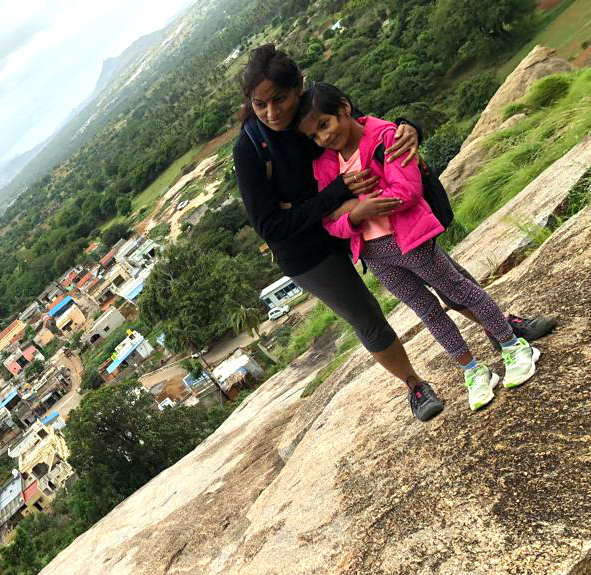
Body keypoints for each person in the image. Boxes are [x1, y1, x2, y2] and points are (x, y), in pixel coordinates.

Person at [233, 44, 556, 420]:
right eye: (260, 104)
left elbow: (368, 129)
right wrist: (341, 198)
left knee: (448, 278)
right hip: (308, 247)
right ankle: (415, 386)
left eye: (280, 99)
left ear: (298, 87)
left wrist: (409, 129)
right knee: (367, 316)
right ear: (250, 104)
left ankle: (504, 331)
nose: (272, 112)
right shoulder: (251, 149)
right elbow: (271, 226)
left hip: (366, 219)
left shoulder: (315, 109)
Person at [298, 82, 540, 410]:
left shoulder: (385, 137)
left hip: (410, 239)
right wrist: (355, 215)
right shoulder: (325, 165)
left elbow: (408, 190)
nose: (323, 138)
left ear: (344, 107)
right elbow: (330, 221)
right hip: (374, 254)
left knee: (458, 291)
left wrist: (359, 205)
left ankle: (513, 346)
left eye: (325, 124)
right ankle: (473, 370)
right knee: (425, 311)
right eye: (314, 135)